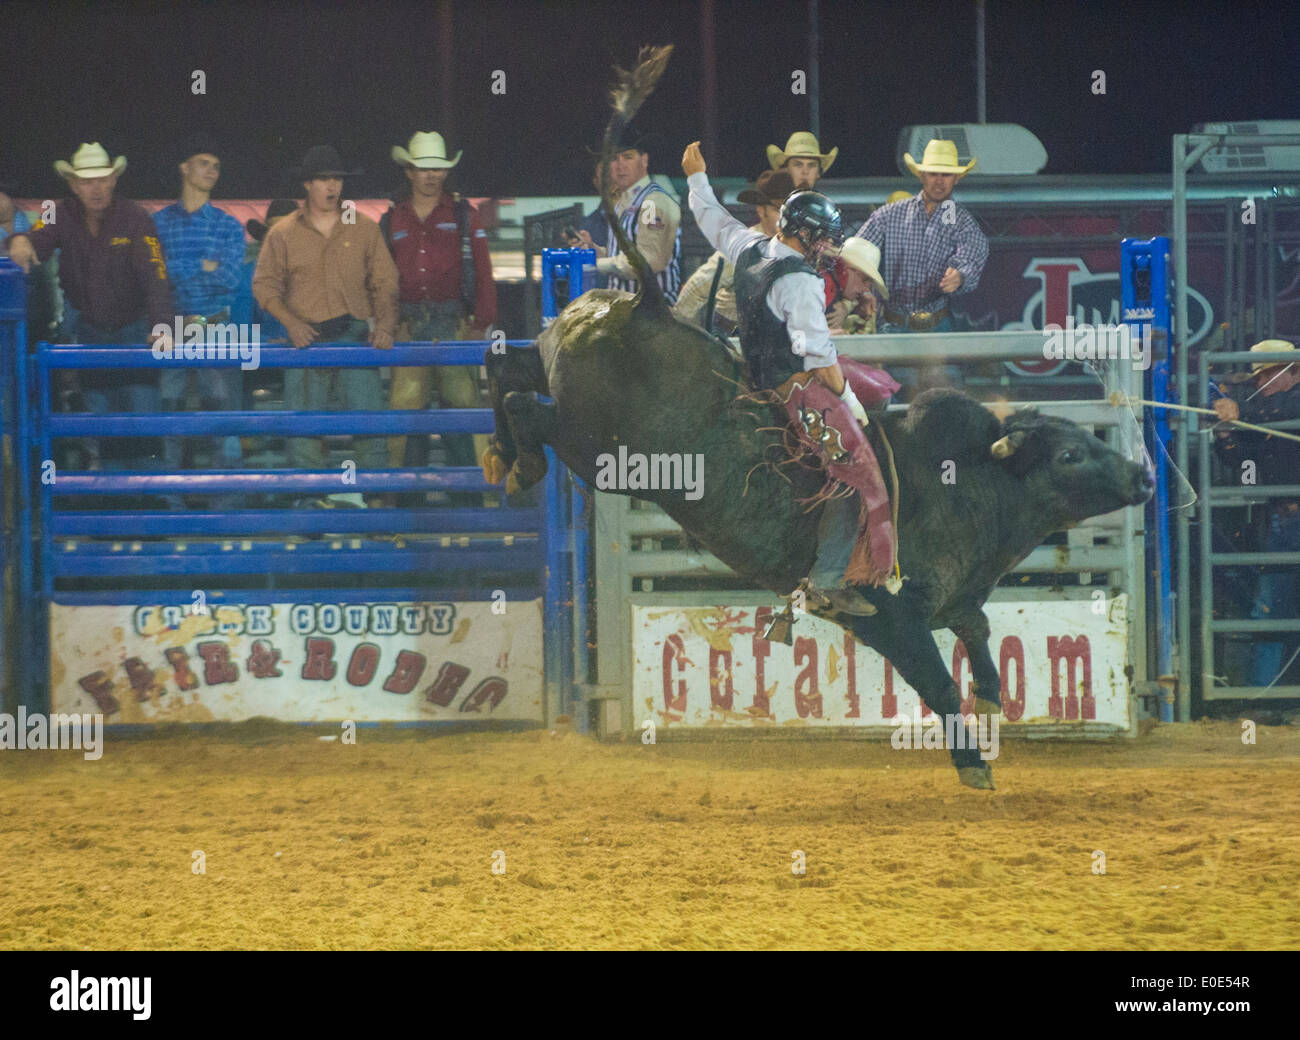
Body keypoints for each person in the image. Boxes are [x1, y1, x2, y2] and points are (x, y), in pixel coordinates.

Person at [682, 141, 900, 616]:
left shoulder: (751, 246)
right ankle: (826, 580)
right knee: (855, 473)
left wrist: (696, 178)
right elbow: (819, 358)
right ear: (803, 234)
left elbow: (712, 220)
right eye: (822, 239)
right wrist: (848, 400)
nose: (826, 248)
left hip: (755, 374)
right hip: (796, 388)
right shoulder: (800, 281)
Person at [5, 142, 172, 471]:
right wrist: (19, 240)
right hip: (90, 332)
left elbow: (156, 273)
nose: (95, 188)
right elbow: (38, 235)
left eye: (101, 180)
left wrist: (161, 325)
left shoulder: (135, 218)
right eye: (86, 181)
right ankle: (113, 501)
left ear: (113, 181)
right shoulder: (58, 211)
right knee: (101, 419)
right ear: (73, 185)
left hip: (134, 332)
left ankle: (147, 499)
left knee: (141, 417)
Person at [252, 145, 398, 505]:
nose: (332, 186)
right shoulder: (283, 233)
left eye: (336, 179)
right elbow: (264, 285)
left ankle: (377, 510)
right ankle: (311, 513)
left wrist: (386, 325)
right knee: (304, 433)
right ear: (307, 185)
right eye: (324, 179)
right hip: (306, 340)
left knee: (369, 427)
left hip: (352, 335)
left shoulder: (363, 228)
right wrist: (290, 323)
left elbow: (386, 280)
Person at [380, 131, 496, 492]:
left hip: (452, 323)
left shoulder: (463, 215)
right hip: (409, 325)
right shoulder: (391, 219)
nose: (431, 175)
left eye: (437, 169)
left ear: (444, 173)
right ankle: (409, 499)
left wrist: (481, 322)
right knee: (408, 417)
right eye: (423, 168)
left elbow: (483, 270)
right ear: (409, 172)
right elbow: (383, 279)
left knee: (459, 412)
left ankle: (471, 495)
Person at [152, 133, 248, 482]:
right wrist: (202, 266)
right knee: (170, 420)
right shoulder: (158, 222)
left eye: (216, 166)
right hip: (174, 326)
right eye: (204, 163)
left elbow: (231, 278)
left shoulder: (227, 224)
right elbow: (155, 276)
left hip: (214, 325)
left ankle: (226, 513)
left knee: (223, 423)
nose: (212, 171)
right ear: (184, 167)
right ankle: (171, 503)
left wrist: (179, 269)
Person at [1213, 339, 1300, 686]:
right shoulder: (1262, 411)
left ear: (1291, 372)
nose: (1259, 384)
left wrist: (1239, 412)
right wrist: (1226, 436)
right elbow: (1243, 463)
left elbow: (1284, 413)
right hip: (1283, 516)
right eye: (1257, 378)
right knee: (1270, 606)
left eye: (1267, 374)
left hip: (1286, 517)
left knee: (1272, 603)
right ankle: (1263, 697)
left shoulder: (1279, 407)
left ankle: (1263, 695)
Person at [854, 139, 988, 335]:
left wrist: (960, 275)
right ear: (922, 175)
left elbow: (974, 251)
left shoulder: (962, 222)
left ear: (956, 179)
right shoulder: (889, 215)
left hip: (936, 326)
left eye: (946, 175)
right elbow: (857, 253)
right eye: (933, 174)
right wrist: (863, 290)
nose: (939, 181)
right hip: (892, 325)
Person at [672, 169, 793, 334]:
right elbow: (697, 287)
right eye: (778, 210)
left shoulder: (795, 246)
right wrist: (679, 333)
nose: (785, 218)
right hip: (731, 337)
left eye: (789, 211)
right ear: (761, 210)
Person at [574, 124, 682, 303]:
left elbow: (649, 260)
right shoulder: (627, 200)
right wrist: (596, 250)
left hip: (652, 310)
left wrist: (597, 264)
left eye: (628, 157)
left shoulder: (652, 202)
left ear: (644, 160)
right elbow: (628, 251)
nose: (620, 165)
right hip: (626, 307)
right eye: (614, 159)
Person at [827, 236, 888, 335]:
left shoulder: (831, 284)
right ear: (845, 270)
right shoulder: (823, 287)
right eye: (864, 280)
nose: (866, 289)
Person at [766, 131, 838, 190]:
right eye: (798, 165)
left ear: (818, 173)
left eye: (811, 165)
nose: (805, 172)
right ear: (785, 170)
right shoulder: (771, 206)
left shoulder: (824, 206)